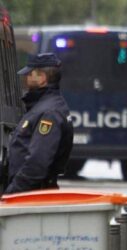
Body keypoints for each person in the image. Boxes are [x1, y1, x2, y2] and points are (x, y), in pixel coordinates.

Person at [1, 53, 73, 194]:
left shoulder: (49, 112)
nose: (26, 78)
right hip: (31, 192)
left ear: (42, 78)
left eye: (30, 74)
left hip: (31, 195)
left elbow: (37, 163)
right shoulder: (42, 107)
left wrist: (12, 193)